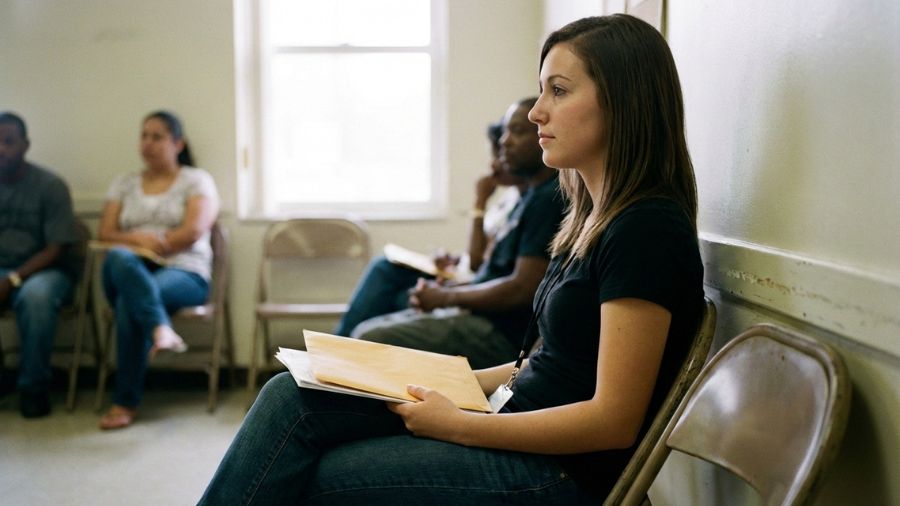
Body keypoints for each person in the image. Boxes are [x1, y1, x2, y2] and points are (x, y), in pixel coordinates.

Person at [201, 14, 704, 504]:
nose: (536, 113)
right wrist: (415, 378)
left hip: (561, 474)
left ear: (622, 103)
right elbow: (545, 365)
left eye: (560, 90)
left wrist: (464, 426)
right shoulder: (591, 217)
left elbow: (613, 420)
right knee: (290, 393)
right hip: (514, 420)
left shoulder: (647, 228)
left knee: (320, 476)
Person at [348, 97, 565, 369]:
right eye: (505, 132)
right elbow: (491, 271)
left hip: (499, 332)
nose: (504, 142)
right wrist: (448, 290)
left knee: (367, 337)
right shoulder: (528, 199)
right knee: (372, 320)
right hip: (480, 313)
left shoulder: (548, 199)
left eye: (518, 132)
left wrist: (447, 297)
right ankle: (329, 366)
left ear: (544, 137)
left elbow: (521, 288)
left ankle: (329, 380)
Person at [333, 118, 527, 337]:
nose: (493, 165)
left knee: (389, 283)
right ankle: (339, 349)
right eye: (495, 155)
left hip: (472, 284)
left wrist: (479, 203)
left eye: (499, 156)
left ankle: (339, 349)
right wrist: (455, 259)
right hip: (463, 276)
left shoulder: (527, 204)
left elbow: (478, 262)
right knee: (386, 268)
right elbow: (481, 255)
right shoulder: (509, 200)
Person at [97, 111, 219, 430]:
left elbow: (193, 231)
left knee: (129, 302)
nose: (147, 143)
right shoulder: (124, 183)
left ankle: (125, 401)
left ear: (178, 143)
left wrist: (160, 244)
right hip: (128, 267)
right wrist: (137, 240)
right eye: (144, 136)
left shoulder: (196, 180)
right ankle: (160, 328)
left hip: (184, 270)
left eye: (157, 136)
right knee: (121, 257)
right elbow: (105, 234)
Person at [0, 112, 78, 418]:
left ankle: (33, 387)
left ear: (25, 145)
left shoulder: (50, 186)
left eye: (8, 142)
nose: (1, 149)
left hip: (44, 271)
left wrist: (13, 280)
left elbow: (57, 247)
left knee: (36, 297)